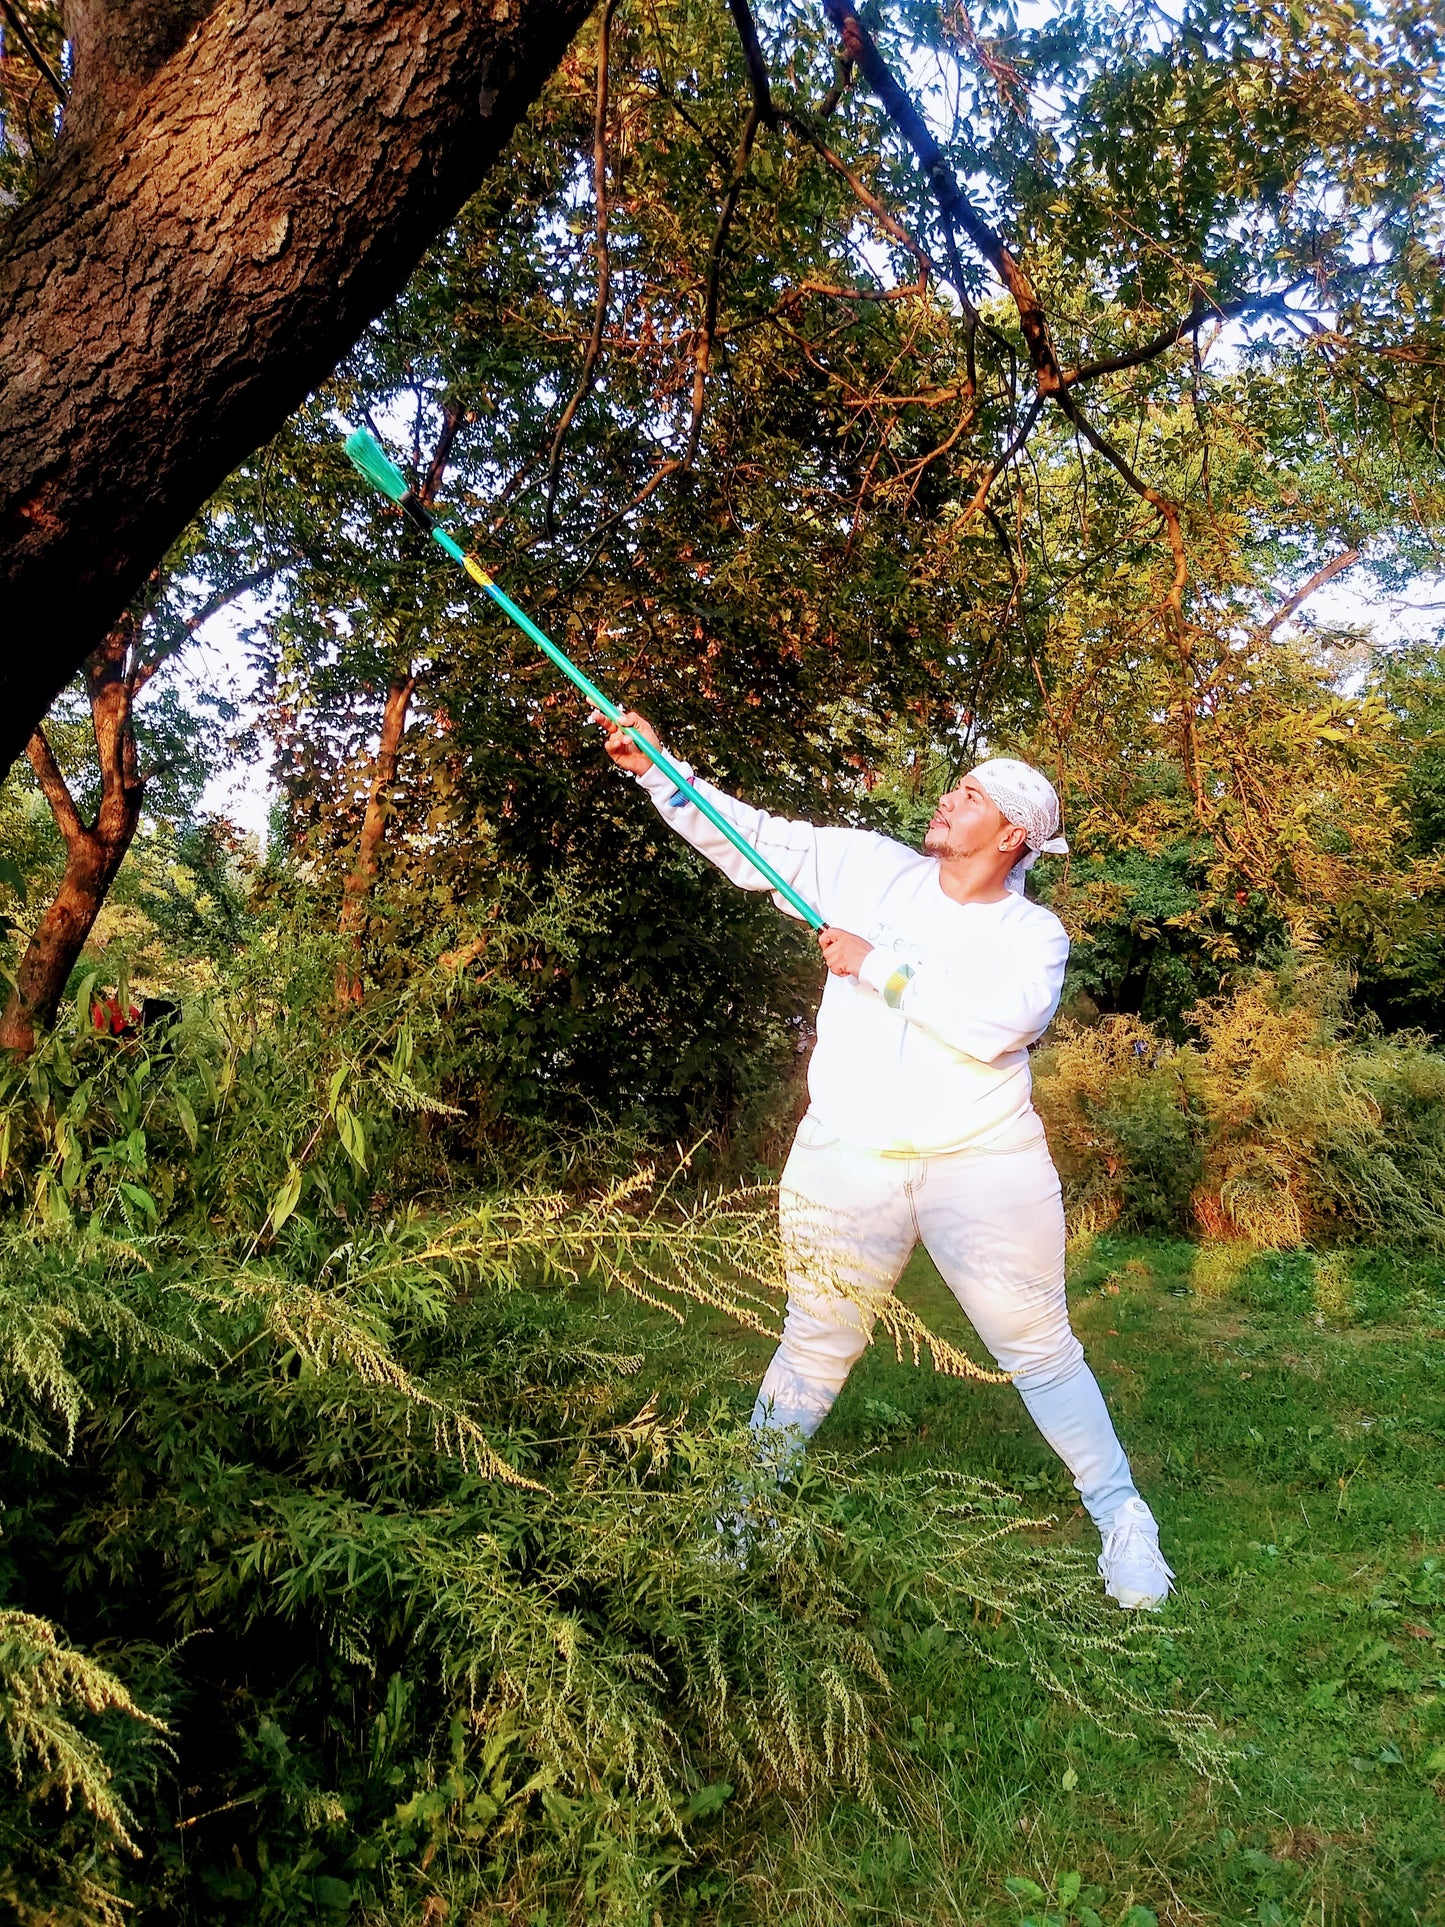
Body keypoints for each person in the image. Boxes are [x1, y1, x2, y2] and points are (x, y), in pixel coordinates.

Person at [592, 708, 1174, 1610]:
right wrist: (658, 768)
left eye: (970, 793)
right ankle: (740, 1512)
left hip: (982, 1162)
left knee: (1038, 1348)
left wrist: (878, 968)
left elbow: (999, 1026)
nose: (947, 796)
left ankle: (1120, 1514)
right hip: (845, 1156)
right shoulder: (868, 868)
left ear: (1013, 834)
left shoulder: (1034, 937)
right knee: (813, 1343)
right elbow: (750, 838)